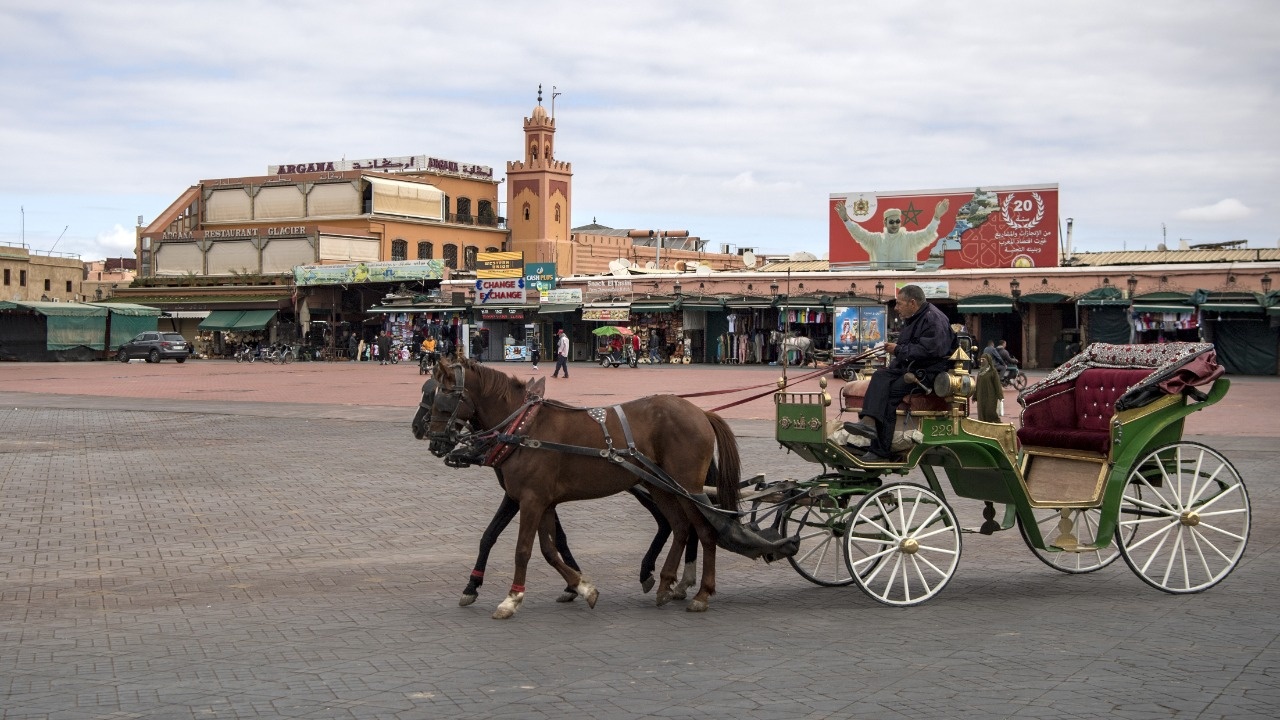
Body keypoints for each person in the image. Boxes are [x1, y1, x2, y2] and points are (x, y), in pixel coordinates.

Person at [843, 284, 956, 463]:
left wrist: (898, 350)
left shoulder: (933, 319)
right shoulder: (916, 317)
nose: (896, 308)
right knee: (880, 376)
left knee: (890, 393)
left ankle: (881, 451)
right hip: (910, 367)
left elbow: (931, 351)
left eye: (899, 303)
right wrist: (896, 355)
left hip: (927, 373)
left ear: (912, 302)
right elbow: (910, 349)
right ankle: (868, 422)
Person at [835, 199, 950, 267]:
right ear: (885, 223)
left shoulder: (909, 239)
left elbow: (927, 234)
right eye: (891, 221)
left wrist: (936, 217)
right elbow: (859, 233)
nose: (895, 224)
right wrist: (846, 219)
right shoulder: (876, 240)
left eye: (897, 221)